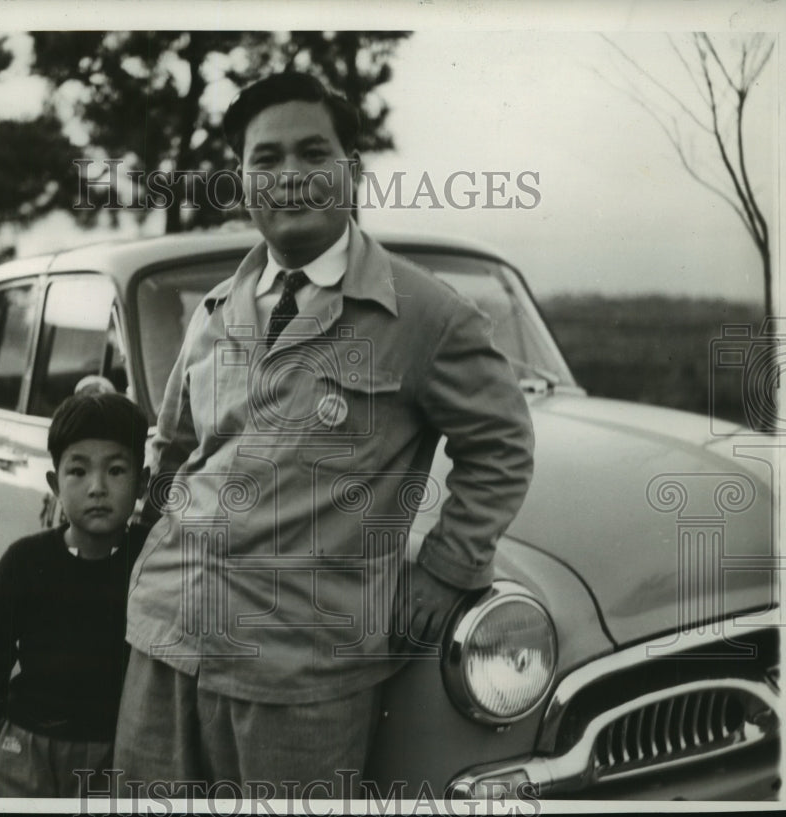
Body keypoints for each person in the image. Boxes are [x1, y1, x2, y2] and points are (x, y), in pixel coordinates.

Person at [113, 71, 534, 796]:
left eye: (313, 153)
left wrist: (445, 568)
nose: (290, 177)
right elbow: (175, 441)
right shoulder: (216, 308)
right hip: (165, 640)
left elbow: (501, 446)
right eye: (265, 159)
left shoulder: (426, 315)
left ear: (352, 170)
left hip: (301, 673)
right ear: (243, 180)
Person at [0, 390, 149, 797]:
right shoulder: (24, 562)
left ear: (142, 482)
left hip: (113, 755)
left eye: (117, 471)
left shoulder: (151, 561)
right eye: (78, 472)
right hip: (24, 748)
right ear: (54, 483)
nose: (97, 487)